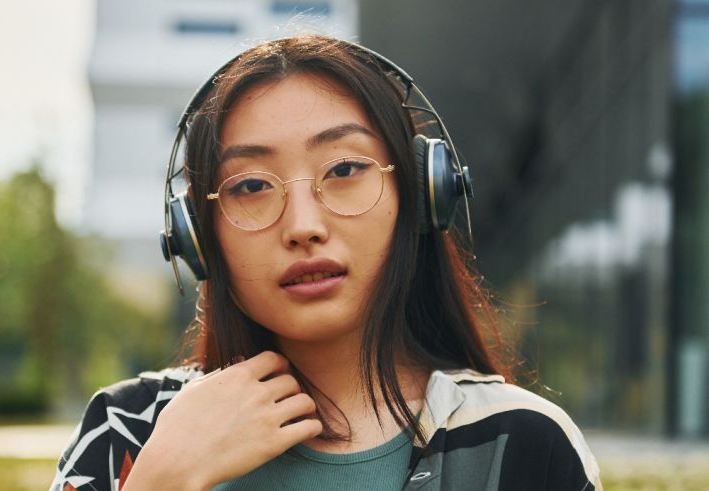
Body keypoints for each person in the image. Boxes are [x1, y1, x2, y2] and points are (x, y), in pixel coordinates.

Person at [50, 35, 602, 491]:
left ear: (418, 195)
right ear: (198, 236)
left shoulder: (520, 444)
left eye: (343, 170)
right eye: (250, 186)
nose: (303, 226)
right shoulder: (131, 428)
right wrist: (159, 482)